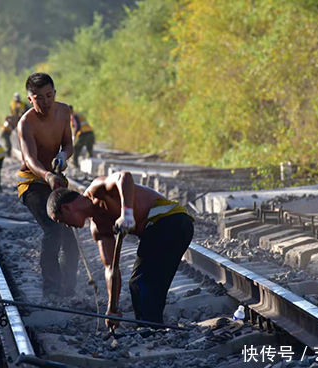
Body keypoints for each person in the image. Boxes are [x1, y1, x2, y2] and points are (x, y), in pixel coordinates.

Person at [46, 171, 194, 327]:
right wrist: (112, 307)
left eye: (61, 220)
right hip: (164, 231)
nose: (67, 226)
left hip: (170, 220)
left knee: (140, 282)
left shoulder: (98, 190)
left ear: (67, 208)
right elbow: (111, 268)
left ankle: (150, 329)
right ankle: (153, 328)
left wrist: (127, 213)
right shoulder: (98, 227)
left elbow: (125, 177)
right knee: (151, 282)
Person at [17, 73, 79, 297]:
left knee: (69, 235)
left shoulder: (63, 111)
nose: (45, 102)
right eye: (38, 98)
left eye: (49, 95)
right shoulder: (26, 123)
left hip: (55, 178)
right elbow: (29, 160)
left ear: (55, 93)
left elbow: (69, 144)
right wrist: (47, 176)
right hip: (32, 182)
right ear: (29, 99)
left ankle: (70, 286)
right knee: (53, 229)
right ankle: (51, 288)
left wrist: (63, 155)